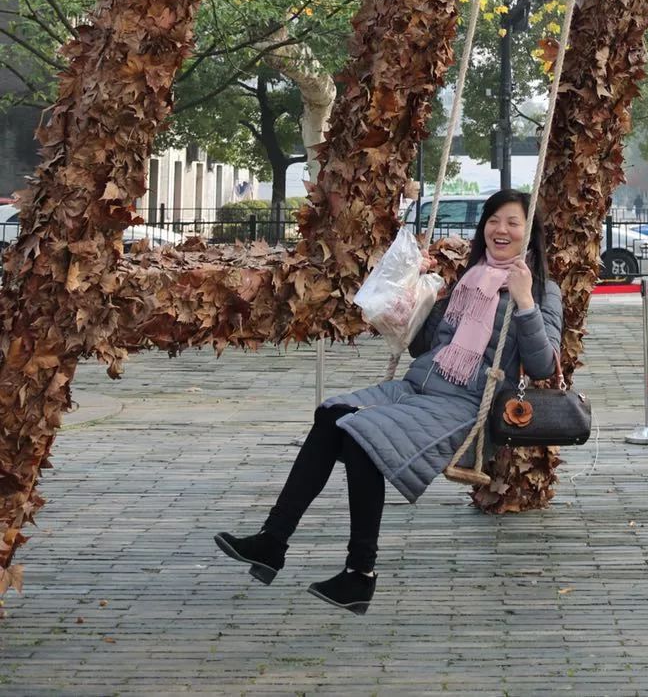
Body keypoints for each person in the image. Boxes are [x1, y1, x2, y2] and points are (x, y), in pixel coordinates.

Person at [214, 189, 562, 613]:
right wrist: (418, 296)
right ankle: (272, 542)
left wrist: (524, 300)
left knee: (363, 435)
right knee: (331, 417)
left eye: (512, 222)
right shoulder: (468, 280)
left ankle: (359, 574)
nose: (500, 229)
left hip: (463, 407)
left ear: (530, 234)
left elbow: (544, 366)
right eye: (494, 220)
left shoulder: (542, 292)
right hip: (417, 386)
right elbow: (423, 347)